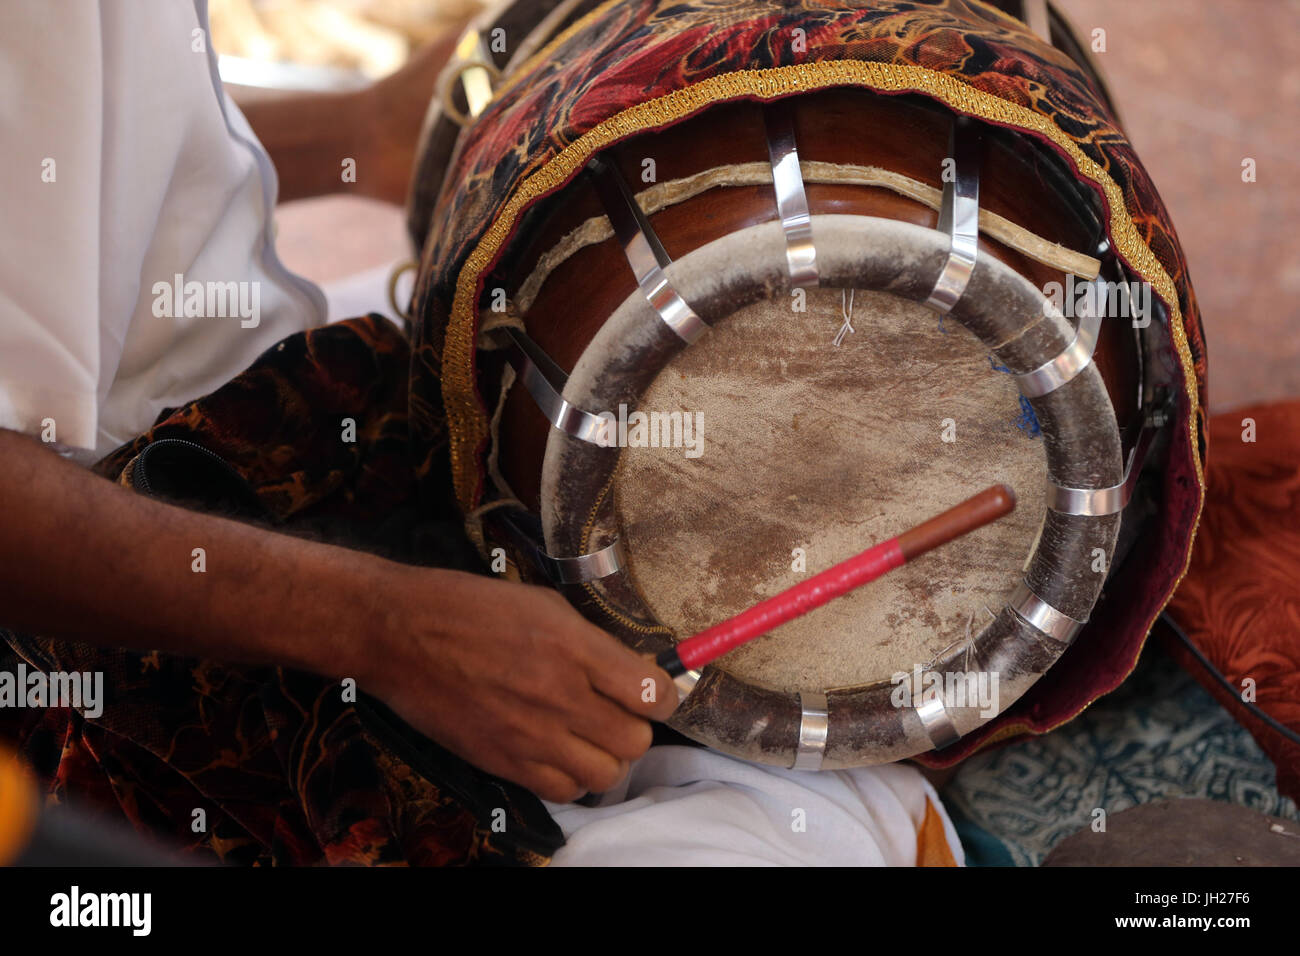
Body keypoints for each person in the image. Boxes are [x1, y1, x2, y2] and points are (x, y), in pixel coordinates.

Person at [0, 0, 675, 810]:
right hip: (119, 649)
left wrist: (362, 133)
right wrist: (387, 631)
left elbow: (74, 138)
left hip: (265, 415)